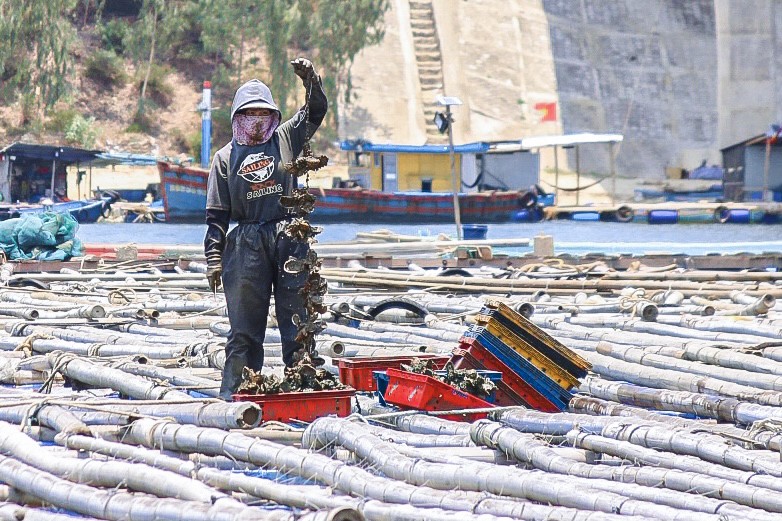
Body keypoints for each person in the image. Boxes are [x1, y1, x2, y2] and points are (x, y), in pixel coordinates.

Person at [204, 58, 328, 401]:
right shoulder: (225, 158)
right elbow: (216, 216)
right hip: (245, 245)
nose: (257, 121)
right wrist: (214, 259)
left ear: (273, 116)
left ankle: (303, 392)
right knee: (244, 331)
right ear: (236, 118)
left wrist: (311, 83)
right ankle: (235, 397)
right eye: (249, 114)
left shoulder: (286, 137)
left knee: (298, 325)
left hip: (289, 239)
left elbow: (315, 112)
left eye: (263, 114)